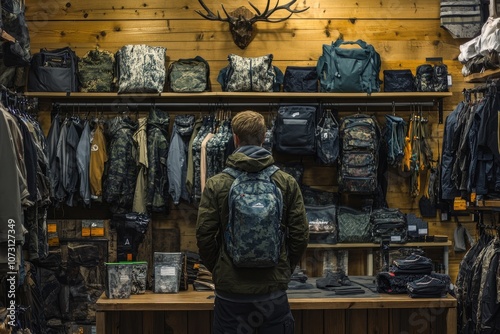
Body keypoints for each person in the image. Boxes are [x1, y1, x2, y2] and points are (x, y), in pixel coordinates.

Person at [196, 110, 309, 334]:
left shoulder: (217, 184)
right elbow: (300, 235)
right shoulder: (285, 182)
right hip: (272, 297)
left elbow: (204, 235)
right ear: (263, 137)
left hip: (231, 297)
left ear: (235, 138)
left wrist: (220, 269)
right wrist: (283, 270)